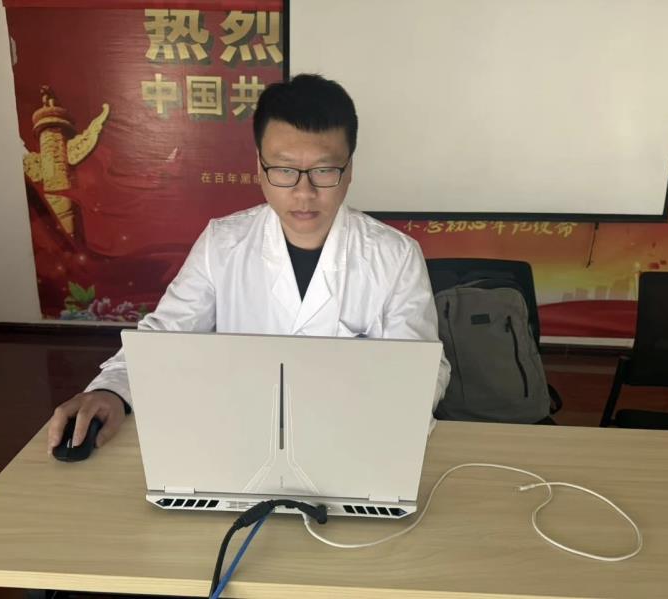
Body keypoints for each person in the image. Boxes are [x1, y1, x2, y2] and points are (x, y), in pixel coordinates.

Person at [47, 74, 450, 453]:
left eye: (324, 170)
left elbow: (421, 372)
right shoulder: (222, 244)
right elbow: (165, 336)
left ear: (348, 171)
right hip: (240, 441)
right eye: (284, 170)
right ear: (259, 167)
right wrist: (111, 390)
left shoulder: (395, 256)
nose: (304, 192)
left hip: (351, 443)